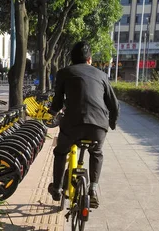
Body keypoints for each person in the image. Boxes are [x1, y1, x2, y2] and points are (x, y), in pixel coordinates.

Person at [47, 41, 119, 208]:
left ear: (72, 59)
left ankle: (57, 188)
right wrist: (112, 124)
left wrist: (51, 114)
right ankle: (93, 189)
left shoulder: (64, 72)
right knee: (97, 152)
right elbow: (114, 105)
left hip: (72, 125)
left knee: (60, 152)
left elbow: (57, 102)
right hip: (98, 126)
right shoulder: (101, 75)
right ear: (90, 59)